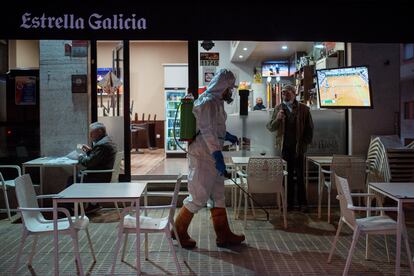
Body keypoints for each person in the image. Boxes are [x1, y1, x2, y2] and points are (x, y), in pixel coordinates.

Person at [172, 69, 245, 248]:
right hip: (203, 156)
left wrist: (227, 136)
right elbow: (206, 131)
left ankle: (223, 235)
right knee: (198, 196)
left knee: (218, 196)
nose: (231, 91)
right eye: (230, 88)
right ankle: (177, 231)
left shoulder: (217, 103)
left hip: (212, 155)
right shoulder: (206, 102)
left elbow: (216, 128)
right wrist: (217, 155)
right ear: (223, 86)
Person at [266, 84, 313, 212]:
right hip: (284, 148)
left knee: (300, 176)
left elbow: (310, 130)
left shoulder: (304, 109)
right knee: (287, 176)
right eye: (283, 93)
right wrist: (278, 119)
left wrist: (303, 145)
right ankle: (289, 203)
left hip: (298, 148)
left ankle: (303, 204)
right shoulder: (278, 108)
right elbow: (270, 127)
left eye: (286, 93)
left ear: (293, 93)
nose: (284, 95)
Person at [67, 122, 117, 212]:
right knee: (76, 176)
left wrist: (79, 157)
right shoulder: (108, 141)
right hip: (105, 175)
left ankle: (71, 208)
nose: (90, 135)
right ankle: (92, 204)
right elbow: (98, 158)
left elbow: (89, 163)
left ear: (100, 131)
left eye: (92, 133)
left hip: (100, 177)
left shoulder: (101, 145)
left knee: (72, 178)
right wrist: (90, 151)